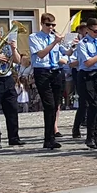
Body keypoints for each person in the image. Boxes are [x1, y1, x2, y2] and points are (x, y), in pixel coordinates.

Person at [29, 13, 65, 149]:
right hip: (42, 72)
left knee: (55, 105)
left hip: (55, 72)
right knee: (49, 105)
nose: (51, 27)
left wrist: (72, 47)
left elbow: (64, 54)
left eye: (53, 25)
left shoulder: (53, 37)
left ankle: (51, 138)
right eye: (48, 25)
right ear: (42, 24)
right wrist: (55, 42)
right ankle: (47, 138)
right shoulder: (34, 37)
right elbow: (41, 54)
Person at [73, 18, 97, 150]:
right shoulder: (82, 43)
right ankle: (89, 137)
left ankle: (96, 137)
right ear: (87, 30)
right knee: (93, 105)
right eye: (95, 31)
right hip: (87, 76)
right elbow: (87, 63)